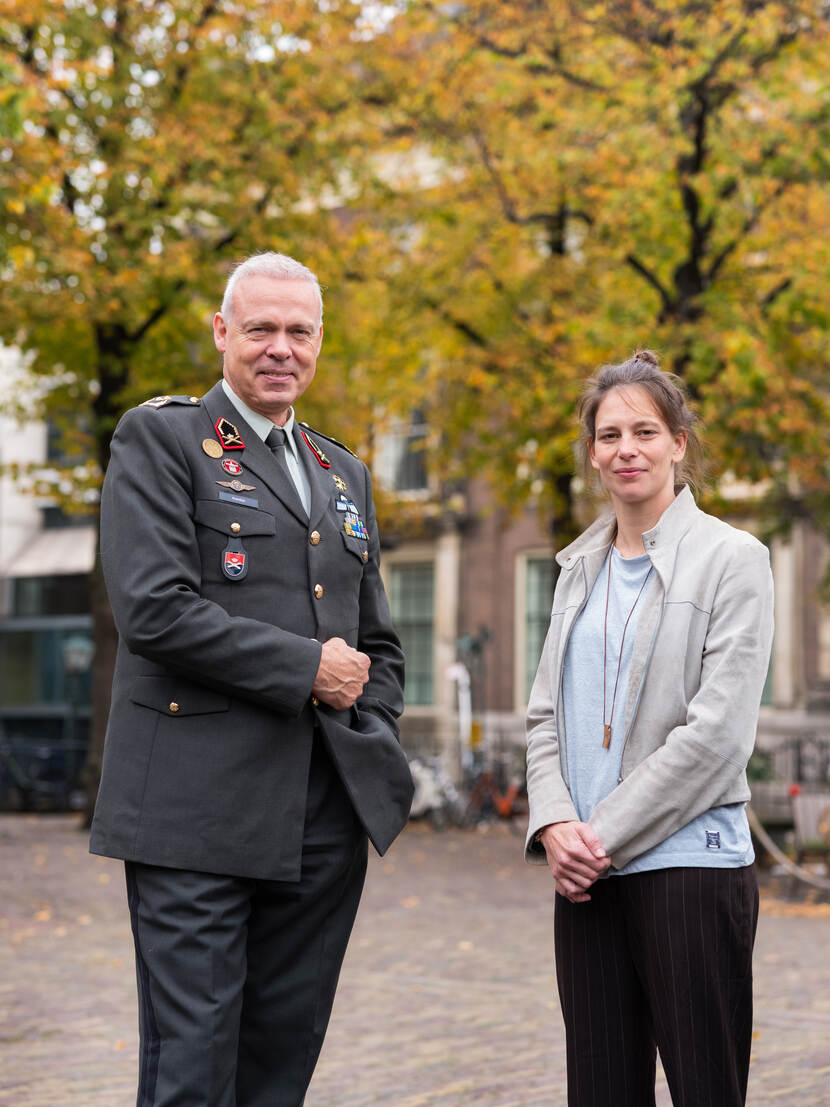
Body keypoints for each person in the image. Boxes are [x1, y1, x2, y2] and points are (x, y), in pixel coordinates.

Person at [90, 252, 413, 1107]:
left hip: (318, 814)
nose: (281, 347)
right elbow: (154, 609)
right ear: (222, 332)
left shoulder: (343, 472)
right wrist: (308, 668)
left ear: (319, 342)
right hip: (193, 808)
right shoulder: (161, 438)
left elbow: (377, 640)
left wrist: (370, 735)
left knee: (282, 1059)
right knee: (193, 1066)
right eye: (261, 328)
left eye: (298, 331)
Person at [525, 350, 773, 1107]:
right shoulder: (577, 570)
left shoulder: (734, 560)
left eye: (643, 431)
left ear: (677, 443)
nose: (625, 448)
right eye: (608, 435)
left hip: (687, 872)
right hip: (586, 883)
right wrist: (555, 822)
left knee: (706, 1090)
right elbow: (543, 716)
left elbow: (717, 737)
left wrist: (598, 837)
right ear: (593, 453)